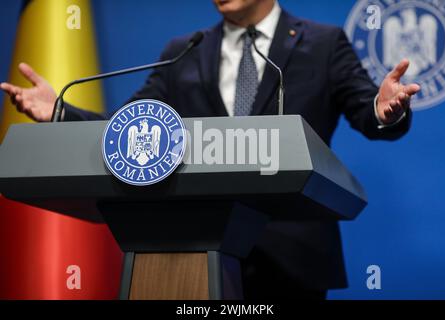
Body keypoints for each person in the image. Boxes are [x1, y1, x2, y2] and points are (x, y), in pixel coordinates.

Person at [0, 0, 420, 299]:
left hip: (292, 255)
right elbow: (128, 130)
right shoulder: (185, 50)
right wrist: (61, 112)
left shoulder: (324, 42)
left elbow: (369, 112)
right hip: (192, 254)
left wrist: (385, 110)